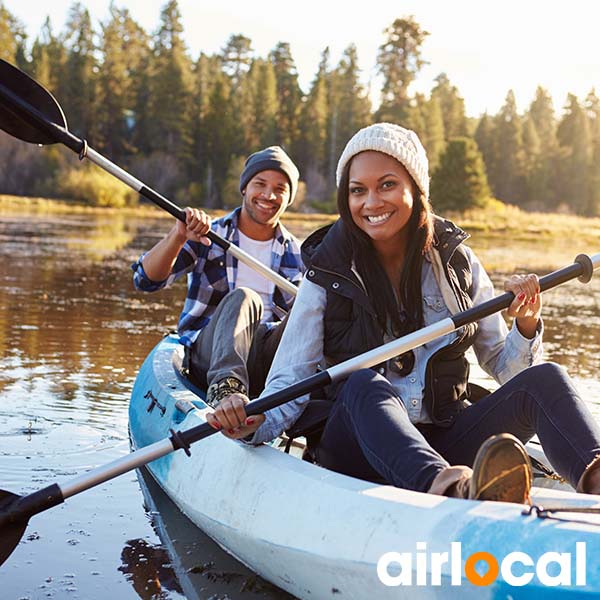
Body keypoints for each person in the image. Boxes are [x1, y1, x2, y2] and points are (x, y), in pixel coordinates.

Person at [207, 123, 600, 501]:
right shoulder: (326, 270)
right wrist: (256, 423)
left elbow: (506, 368)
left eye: (388, 185)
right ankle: (448, 491)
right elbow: (291, 376)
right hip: (357, 446)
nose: (371, 202)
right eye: (358, 190)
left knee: (545, 379)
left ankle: (595, 478)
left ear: (417, 188)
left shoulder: (457, 262)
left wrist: (526, 326)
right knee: (363, 383)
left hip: (445, 438)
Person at [132, 146, 304, 408]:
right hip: (209, 355)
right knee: (245, 298)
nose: (269, 195)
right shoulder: (209, 234)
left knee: (309, 310)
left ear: (289, 198)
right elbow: (145, 281)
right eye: (260, 184)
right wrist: (178, 236)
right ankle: (226, 390)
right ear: (245, 187)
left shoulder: (298, 253)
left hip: (267, 362)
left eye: (280, 188)